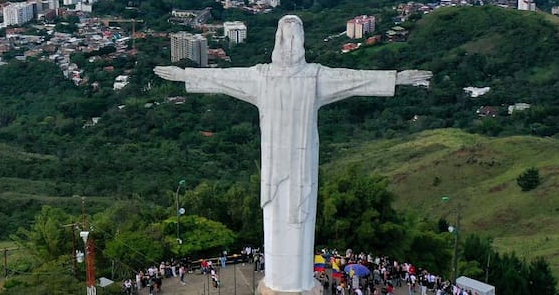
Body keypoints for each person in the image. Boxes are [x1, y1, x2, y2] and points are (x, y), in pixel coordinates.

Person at [155, 15, 431, 293]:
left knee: (301, 221)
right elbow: (222, 78)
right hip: (274, 166)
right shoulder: (261, 76)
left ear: (302, 42)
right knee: (275, 222)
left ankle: (298, 283)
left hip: (302, 165)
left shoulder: (315, 76)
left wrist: (395, 80)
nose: (288, 45)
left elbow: (356, 81)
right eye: (284, 38)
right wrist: (185, 75)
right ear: (276, 41)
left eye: (294, 38)